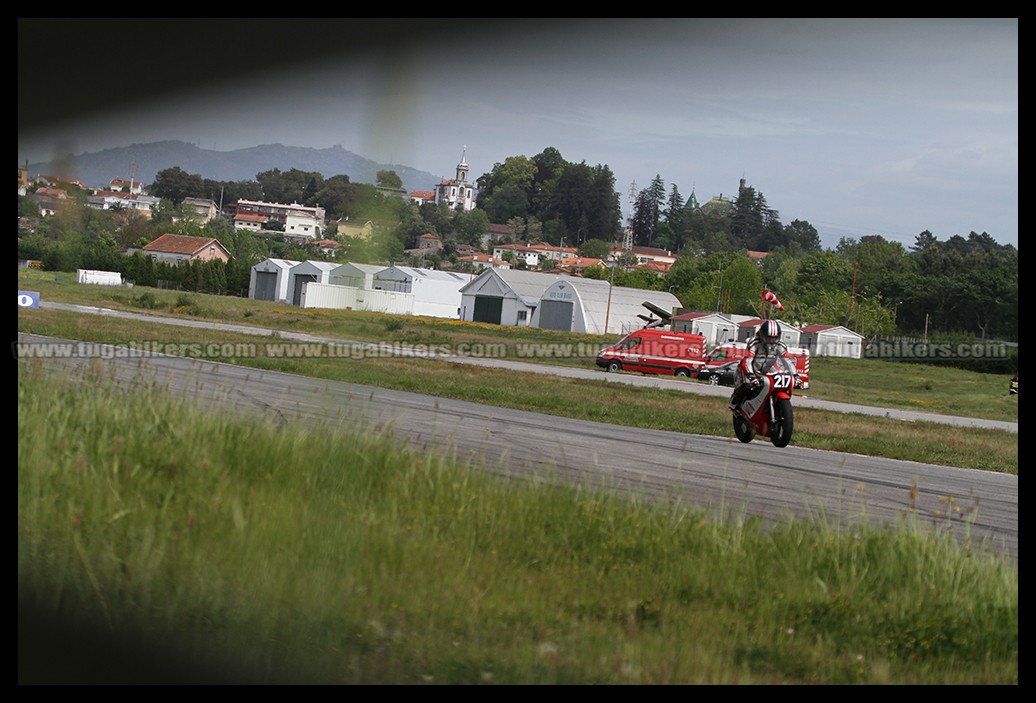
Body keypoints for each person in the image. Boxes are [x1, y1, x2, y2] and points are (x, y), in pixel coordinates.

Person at [729, 319, 789, 411]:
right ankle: (736, 404)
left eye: (774, 337)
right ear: (762, 335)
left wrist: (795, 376)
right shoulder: (754, 343)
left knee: (776, 388)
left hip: (767, 371)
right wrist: (751, 376)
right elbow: (747, 361)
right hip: (750, 369)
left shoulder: (780, 345)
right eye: (768, 337)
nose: (771, 340)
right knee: (747, 386)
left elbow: (788, 361)